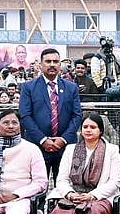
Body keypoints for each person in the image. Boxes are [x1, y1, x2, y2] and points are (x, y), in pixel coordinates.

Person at [18, 48, 83, 178]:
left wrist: (63, 139)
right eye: (48, 61)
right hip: (37, 146)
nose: (52, 64)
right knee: (37, 190)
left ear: (60, 65)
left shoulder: (71, 87)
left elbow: (77, 115)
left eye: (55, 61)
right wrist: (43, 140)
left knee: (65, 189)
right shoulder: (28, 87)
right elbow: (25, 116)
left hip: (65, 146)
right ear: (41, 65)